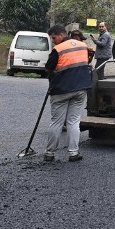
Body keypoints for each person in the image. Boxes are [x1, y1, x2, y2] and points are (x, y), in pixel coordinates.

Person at [43, 24, 92, 163]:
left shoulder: (58, 49)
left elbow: (49, 68)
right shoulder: (82, 45)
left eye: (53, 38)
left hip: (61, 90)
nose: (53, 41)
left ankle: (49, 153)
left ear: (61, 35)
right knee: (74, 122)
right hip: (80, 89)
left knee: (57, 122)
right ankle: (73, 153)